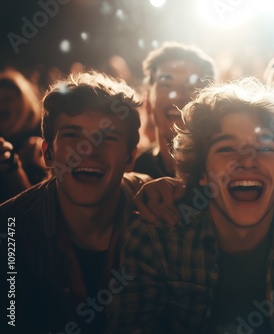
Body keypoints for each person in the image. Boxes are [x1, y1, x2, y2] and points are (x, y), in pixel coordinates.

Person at [108, 78, 274, 333]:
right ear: (201, 170)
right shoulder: (155, 238)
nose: (246, 161)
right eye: (226, 148)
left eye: (265, 147)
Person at [0, 71, 150, 333]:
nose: (89, 150)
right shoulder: (9, 229)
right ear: (47, 153)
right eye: (72, 135)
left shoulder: (155, 207)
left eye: (107, 137)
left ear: (129, 158)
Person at [133, 41, 217, 179]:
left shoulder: (224, 173)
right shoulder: (132, 176)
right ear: (147, 101)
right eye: (166, 85)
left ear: (212, 104)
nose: (179, 95)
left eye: (192, 86)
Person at [0, 68, 48, 203]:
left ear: (24, 104)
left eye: (7, 99)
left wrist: (10, 165)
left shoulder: (37, 146)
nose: (1, 105)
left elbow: (37, 208)